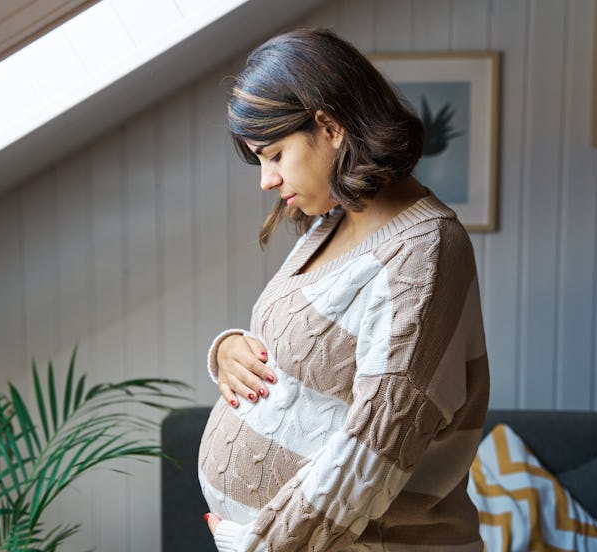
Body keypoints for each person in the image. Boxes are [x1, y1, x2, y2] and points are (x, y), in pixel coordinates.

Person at [198, 28, 489, 552]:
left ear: (329, 127)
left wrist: (263, 544)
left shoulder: (426, 251)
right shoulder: (332, 221)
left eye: (274, 155)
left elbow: (376, 444)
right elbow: (310, 355)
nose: (266, 180)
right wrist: (229, 351)